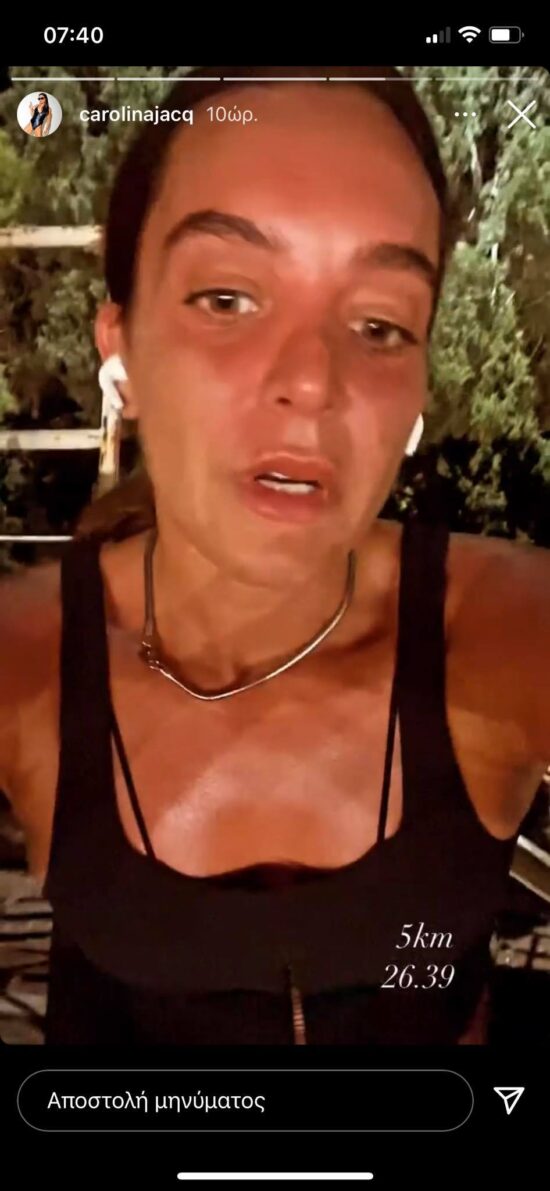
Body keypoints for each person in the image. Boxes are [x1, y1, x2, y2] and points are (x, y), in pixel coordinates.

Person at [0, 65, 548, 1045]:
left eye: (378, 324)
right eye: (226, 298)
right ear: (120, 349)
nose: (312, 380)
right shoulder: (29, 656)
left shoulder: (500, 625)